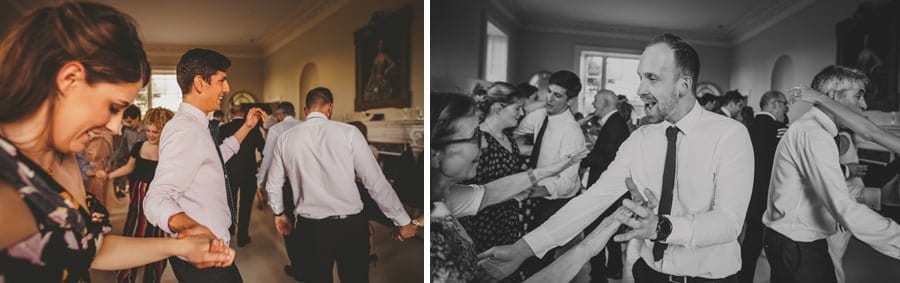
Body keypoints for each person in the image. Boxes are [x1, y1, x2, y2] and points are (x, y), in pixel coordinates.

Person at [479, 33, 754, 282]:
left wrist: (662, 227)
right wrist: (522, 249)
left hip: (709, 277)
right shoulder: (640, 139)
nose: (640, 90)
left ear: (683, 85)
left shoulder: (730, 135)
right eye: (640, 77)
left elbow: (729, 222)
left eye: (653, 78)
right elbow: (591, 200)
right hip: (648, 273)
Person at [0, 2, 234, 282]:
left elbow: (91, 248)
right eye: (113, 107)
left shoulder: (64, 159)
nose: (115, 126)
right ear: (69, 79)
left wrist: (182, 246)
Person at [430, 92, 619, 283]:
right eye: (474, 136)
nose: (485, 143)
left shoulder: (445, 201)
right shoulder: (434, 247)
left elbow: (489, 193)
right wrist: (584, 249)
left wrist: (547, 170)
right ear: (435, 154)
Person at [763, 65, 900, 283]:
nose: (864, 105)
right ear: (833, 96)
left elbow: (825, 186)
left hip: (799, 241)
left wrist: (878, 196)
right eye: (859, 96)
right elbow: (842, 207)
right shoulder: (814, 134)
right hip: (797, 243)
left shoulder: (815, 130)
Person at [264, 87, 415, 283]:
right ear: (330, 108)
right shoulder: (349, 133)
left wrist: (279, 213)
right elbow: (375, 182)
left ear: (305, 109)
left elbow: (273, 184)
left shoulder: (285, 139)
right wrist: (402, 220)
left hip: (311, 228)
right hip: (351, 227)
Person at [143, 48, 267, 282]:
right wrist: (195, 230)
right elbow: (156, 198)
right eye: (222, 80)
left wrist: (247, 127)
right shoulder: (185, 129)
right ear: (200, 83)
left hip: (208, 251)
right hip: (204, 257)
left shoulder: (196, 125)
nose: (227, 88)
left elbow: (216, 158)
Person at [456, 83, 534, 280]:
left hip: (508, 217)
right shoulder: (478, 140)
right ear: (498, 108)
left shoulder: (507, 138)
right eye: (517, 108)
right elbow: (468, 186)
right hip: (483, 221)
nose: (522, 113)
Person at [96, 107, 174, 283]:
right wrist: (109, 175)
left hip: (160, 198)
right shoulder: (140, 146)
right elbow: (129, 167)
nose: (151, 135)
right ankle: (125, 277)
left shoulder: (171, 150)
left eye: (156, 132)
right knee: (133, 235)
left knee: (158, 239)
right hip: (138, 198)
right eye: (148, 130)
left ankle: (152, 279)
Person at [579, 89, 631, 282]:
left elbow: (608, 158)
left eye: (596, 101)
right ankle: (613, 268)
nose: (593, 105)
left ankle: (598, 274)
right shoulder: (614, 122)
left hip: (607, 189)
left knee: (595, 230)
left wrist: (582, 159)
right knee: (608, 229)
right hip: (610, 188)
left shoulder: (614, 124)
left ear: (607, 103)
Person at [739, 90, 788, 283]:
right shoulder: (780, 131)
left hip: (743, 195)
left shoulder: (745, 127)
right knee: (758, 245)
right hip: (766, 199)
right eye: (785, 104)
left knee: (741, 244)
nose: (786, 109)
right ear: (774, 104)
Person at [256, 101, 304, 280]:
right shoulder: (304, 126)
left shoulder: (276, 130)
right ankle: (310, 263)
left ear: (280, 115)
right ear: (294, 112)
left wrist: (260, 182)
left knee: (288, 225)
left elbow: (268, 158)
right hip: (306, 183)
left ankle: (298, 267)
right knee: (305, 223)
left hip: (286, 185)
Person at [217, 104, 265, 247]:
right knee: (246, 205)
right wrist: (259, 165)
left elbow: (219, 153)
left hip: (229, 173)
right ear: (244, 115)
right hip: (249, 173)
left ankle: (230, 229)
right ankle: (243, 237)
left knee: (229, 203)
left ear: (230, 114)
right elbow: (264, 149)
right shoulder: (254, 130)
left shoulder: (223, 129)